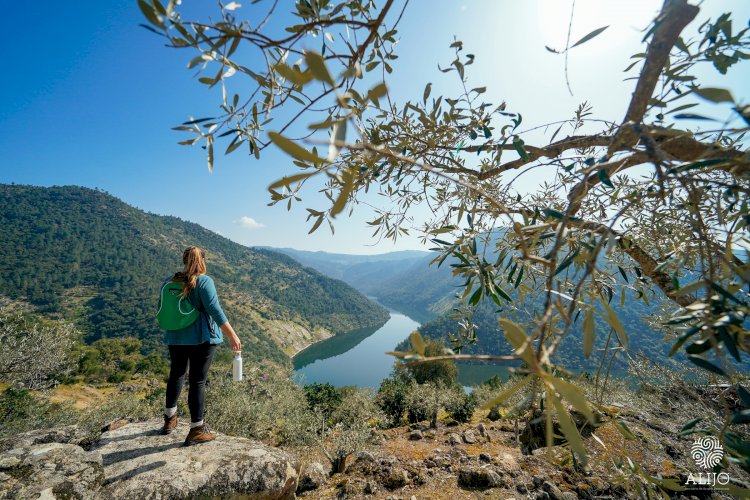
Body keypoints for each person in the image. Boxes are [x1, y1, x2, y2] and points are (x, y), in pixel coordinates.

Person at [161, 246, 242, 445]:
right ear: (203, 261)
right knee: (197, 381)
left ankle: (169, 419)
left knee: (176, 374)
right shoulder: (204, 281)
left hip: (176, 337)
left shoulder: (170, 282)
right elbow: (215, 310)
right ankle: (197, 428)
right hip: (201, 338)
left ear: (184, 260)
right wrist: (232, 335)